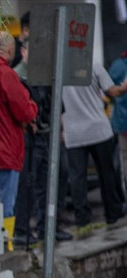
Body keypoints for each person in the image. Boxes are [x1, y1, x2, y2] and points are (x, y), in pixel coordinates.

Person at [12, 38, 73, 245]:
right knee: (29, 184)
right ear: (23, 52)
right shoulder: (18, 74)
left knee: (54, 181)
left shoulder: (45, 75)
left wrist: (61, 129)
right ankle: (22, 230)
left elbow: (55, 103)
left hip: (48, 136)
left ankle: (49, 228)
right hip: (31, 137)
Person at [62, 62, 127, 235]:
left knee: (77, 178)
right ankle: (112, 214)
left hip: (73, 132)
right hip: (98, 130)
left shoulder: (59, 69)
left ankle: (82, 221)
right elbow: (112, 91)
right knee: (107, 173)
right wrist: (124, 86)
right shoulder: (93, 65)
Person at [0, 31, 38, 246]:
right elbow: (24, 111)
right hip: (7, 149)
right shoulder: (5, 74)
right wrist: (33, 107)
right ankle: (5, 244)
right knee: (6, 203)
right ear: (9, 49)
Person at [109, 51, 127, 203]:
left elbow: (107, 91)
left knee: (124, 164)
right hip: (123, 123)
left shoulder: (118, 65)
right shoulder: (120, 65)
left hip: (122, 123)